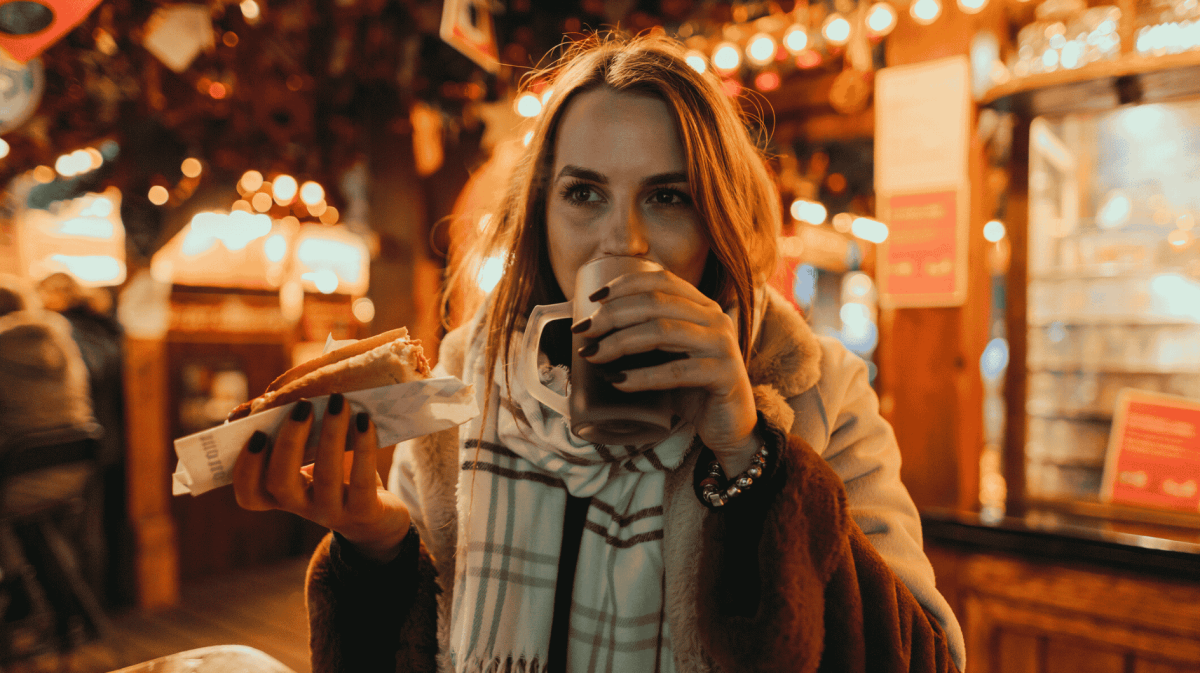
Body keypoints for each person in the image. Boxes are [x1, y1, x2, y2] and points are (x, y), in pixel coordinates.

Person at [233, 34, 965, 673]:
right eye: (584, 193)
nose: (624, 240)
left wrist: (753, 457)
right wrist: (377, 545)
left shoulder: (812, 388)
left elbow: (926, 657)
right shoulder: (467, 382)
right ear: (541, 213)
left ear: (718, 219)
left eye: (668, 197)